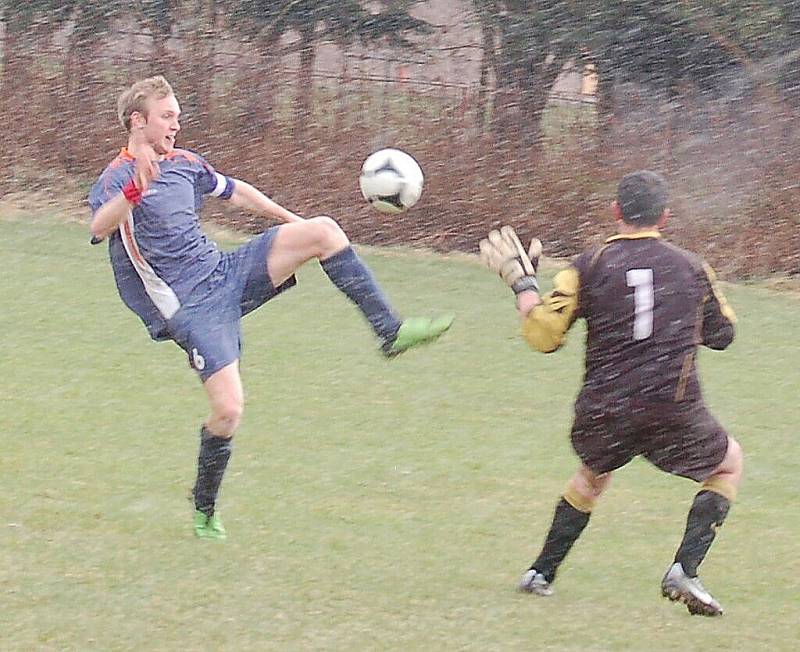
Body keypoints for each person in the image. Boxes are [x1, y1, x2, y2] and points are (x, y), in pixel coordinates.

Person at [88, 75, 452, 540]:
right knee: (229, 412)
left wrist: (292, 223)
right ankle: (204, 508)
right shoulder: (117, 177)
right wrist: (136, 189)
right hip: (190, 309)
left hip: (225, 271)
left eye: (177, 115)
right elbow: (101, 226)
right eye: (167, 116)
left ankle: (390, 331)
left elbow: (235, 192)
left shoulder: (185, 163)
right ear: (138, 121)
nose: (176, 124)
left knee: (324, 231)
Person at [479, 170, 742, 617]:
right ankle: (685, 568)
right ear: (665, 216)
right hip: (671, 407)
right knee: (727, 464)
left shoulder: (589, 265)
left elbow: (544, 336)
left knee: (592, 475)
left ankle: (541, 572)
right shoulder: (693, 268)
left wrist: (524, 289)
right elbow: (724, 334)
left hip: (605, 407)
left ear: (616, 212)